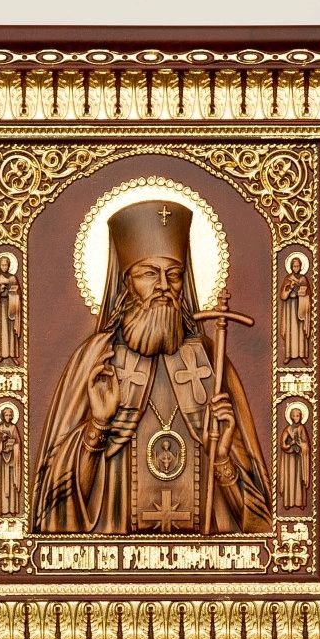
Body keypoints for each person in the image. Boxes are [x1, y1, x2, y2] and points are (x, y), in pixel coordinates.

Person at [31, 199, 270, 535]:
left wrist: (222, 459)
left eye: (174, 275)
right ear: (125, 283)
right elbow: (52, 512)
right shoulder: (97, 359)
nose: (163, 287)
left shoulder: (210, 362)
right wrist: (97, 426)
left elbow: (261, 522)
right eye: (148, 273)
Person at [278, 255, 311, 362]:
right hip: (290, 307)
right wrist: (290, 288)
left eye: (297, 266)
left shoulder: (303, 279)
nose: (296, 268)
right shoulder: (288, 279)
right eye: (294, 266)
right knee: (290, 329)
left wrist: (303, 292)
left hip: (301, 306)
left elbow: (308, 293)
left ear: (300, 267)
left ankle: (302, 355)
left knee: (301, 331)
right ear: (291, 267)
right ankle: (288, 355)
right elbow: (282, 295)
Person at [0, 254, 21, 365]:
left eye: (6, 265)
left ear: (9, 265)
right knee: (1, 330)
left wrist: (14, 292)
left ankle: (12, 355)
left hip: (11, 305)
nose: (4, 267)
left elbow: (17, 292)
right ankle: (0, 355)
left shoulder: (13, 278)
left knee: (11, 330)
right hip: (0, 307)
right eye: (2, 265)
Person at [0, 406, 22, 518]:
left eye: (10, 415)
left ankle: (13, 509)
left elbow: (18, 443)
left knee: (11, 484)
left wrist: (13, 446)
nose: (8, 417)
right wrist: (1, 442)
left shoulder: (14, 428)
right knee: (2, 483)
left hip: (12, 460)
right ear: (2, 416)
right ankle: (1, 509)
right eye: (6, 415)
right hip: (1, 462)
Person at [279, 407, 310, 510]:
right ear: (291, 417)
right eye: (294, 416)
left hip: (300, 459)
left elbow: (306, 444)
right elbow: (282, 444)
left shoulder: (302, 428)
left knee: (299, 479)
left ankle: (300, 502)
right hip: (290, 459)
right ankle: (288, 502)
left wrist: (300, 444)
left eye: (298, 416)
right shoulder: (287, 429)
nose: (296, 418)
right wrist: (290, 444)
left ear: (301, 417)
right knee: (290, 478)